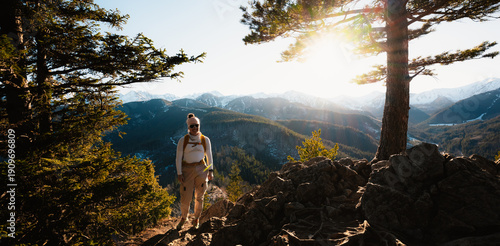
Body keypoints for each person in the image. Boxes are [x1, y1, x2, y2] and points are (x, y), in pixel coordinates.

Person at [175, 113, 214, 230]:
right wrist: (179, 173)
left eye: (196, 125)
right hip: (187, 169)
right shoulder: (183, 140)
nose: (195, 128)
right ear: (188, 127)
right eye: (192, 126)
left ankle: (196, 219)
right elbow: (178, 158)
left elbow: (209, 156)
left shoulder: (205, 139)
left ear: (199, 125)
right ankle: (184, 217)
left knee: (200, 196)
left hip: (202, 168)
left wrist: (210, 170)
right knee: (186, 197)